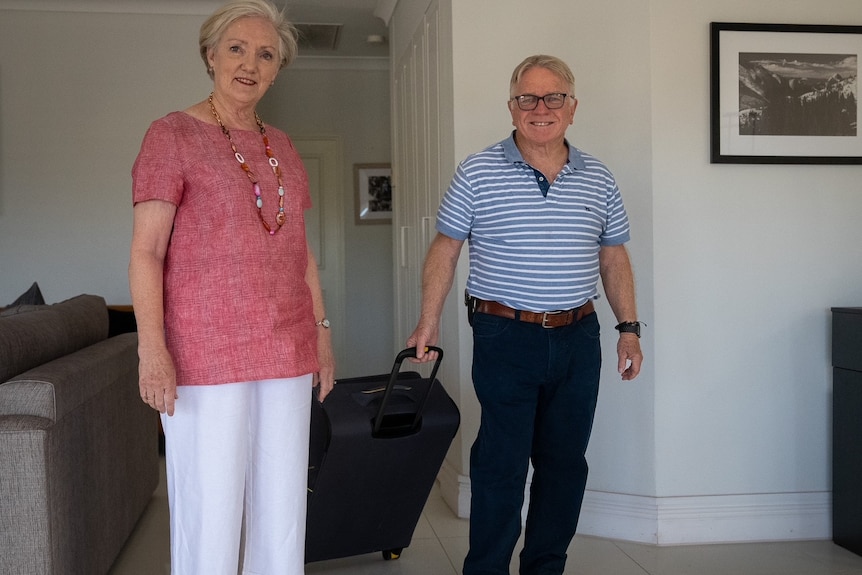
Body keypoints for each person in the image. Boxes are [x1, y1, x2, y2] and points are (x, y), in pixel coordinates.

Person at [407, 54, 643, 575]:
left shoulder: (598, 178)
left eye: (553, 96)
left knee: (564, 466)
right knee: (501, 465)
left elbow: (613, 256)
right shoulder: (477, 170)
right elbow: (446, 249)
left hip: (579, 337)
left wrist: (628, 329)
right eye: (527, 98)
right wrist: (429, 319)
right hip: (504, 336)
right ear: (512, 108)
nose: (541, 108)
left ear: (572, 108)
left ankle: (545, 567)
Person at [128, 1, 335, 573]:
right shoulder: (171, 134)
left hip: (288, 345)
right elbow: (146, 252)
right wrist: (152, 350)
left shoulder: (285, 146)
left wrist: (321, 332)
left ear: (277, 68)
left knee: (283, 508)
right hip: (205, 351)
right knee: (209, 510)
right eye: (238, 48)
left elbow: (300, 252)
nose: (250, 63)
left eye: (266, 54)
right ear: (211, 55)